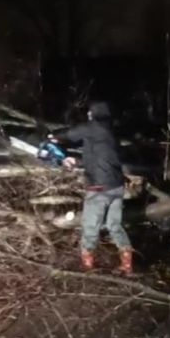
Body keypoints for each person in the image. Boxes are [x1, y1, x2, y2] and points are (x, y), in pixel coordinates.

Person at [50, 101, 133, 275]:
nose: (88, 115)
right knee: (114, 225)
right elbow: (99, 157)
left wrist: (52, 136)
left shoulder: (93, 127)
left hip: (99, 187)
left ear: (93, 114)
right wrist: (76, 160)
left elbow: (69, 134)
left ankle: (87, 266)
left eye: (89, 113)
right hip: (116, 186)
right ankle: (127, 265)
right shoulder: (110, 131)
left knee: (90, 226)